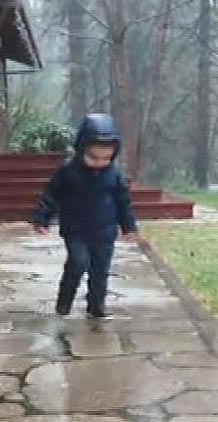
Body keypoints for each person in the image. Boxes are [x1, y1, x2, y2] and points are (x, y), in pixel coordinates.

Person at [31, 113, 139, 318]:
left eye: (106, 159)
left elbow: (123, 202)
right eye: (93, 158)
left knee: (100, 270)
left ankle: (96, 305)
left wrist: (129, 226)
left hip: (105, 232)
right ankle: (64, 303)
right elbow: (51, 195)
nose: (99, 163)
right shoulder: (68, 171)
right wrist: (42, 218)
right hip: (76, 230)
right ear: (81, 150)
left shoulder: (115, 175)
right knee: (78, 263)